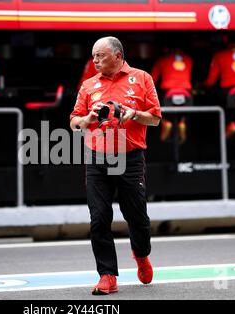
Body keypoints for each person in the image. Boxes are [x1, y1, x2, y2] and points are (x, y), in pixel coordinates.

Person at [70, 36, 161, 295]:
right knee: (99, 218)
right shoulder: (89, 85)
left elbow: (155, 118)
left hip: (130, 157)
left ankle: (141, 256)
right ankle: (107, 275)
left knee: (137, 217)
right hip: (97, 158)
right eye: (93, 56)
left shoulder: (142, 78)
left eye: (100, 55)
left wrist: (134, 114)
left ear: (118, 56)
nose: (95, 60)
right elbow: (73, 122)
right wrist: (87, 119)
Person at [151, 47, 193, 143]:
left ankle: (166, 122)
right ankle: (182, 123)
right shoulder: (188, 59)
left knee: (159, 108)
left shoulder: (162, 59)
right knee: (186, 115)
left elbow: (152, 80)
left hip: (168, 93)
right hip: (186, 93)